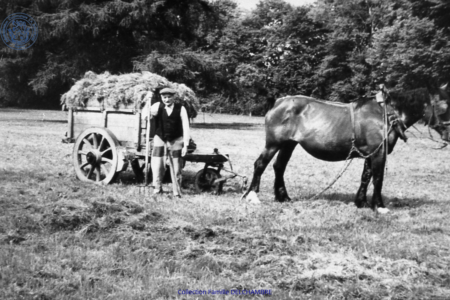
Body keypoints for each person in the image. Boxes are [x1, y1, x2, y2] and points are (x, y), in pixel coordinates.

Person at [149, 87, 190, 197]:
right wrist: (148, 112)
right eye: (164, 97)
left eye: (169, 97)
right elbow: (146, 114)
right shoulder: (157, 106)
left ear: (174, 97)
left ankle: (176, 192)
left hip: (176, 139)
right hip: (160, 138)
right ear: (161, 97)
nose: (166, 100)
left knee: (176, 167)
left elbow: (186, 127)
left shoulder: (181, 109)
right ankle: (157, 189)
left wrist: (185, 144)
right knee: (158, 165)